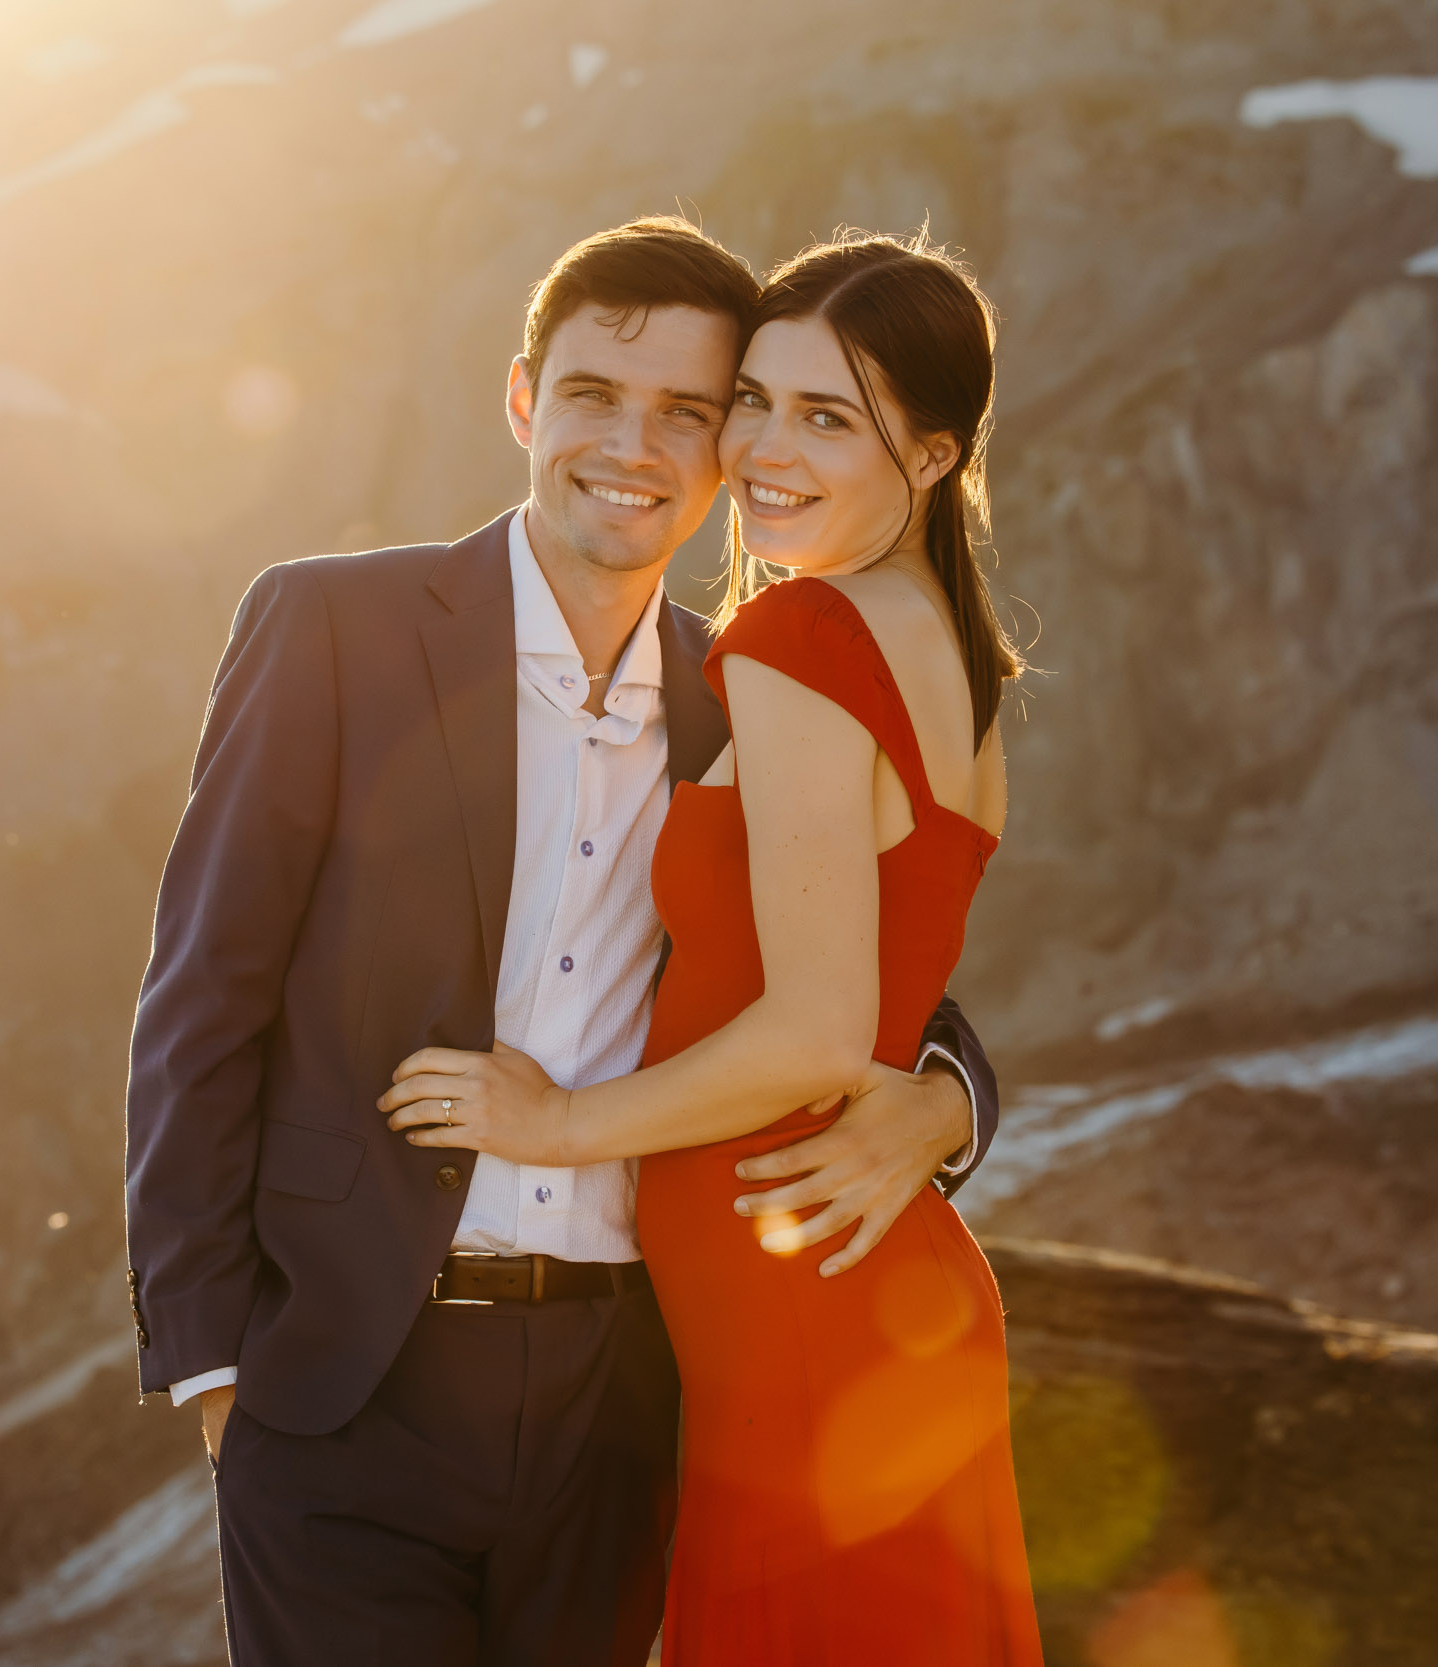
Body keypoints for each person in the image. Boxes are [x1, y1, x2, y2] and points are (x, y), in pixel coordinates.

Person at [122, 217, 1007, 1666]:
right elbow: (202, 998)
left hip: (626, 1396)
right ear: (525, 399)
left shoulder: (752, 691)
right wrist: (220, 1373)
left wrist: (951, 1103)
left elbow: (875, 969)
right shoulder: (331, 628)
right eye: (595, 394)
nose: (634, 445)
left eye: (687, 412)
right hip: (349, 1386)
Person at [382, 233, 1045, 1663]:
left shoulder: (803, 636)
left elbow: (815, 1031)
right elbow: (889, 992)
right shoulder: (958, 661)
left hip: (795, 1298)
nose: (760, 449)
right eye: (752, 399)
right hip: (841, 1285)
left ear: (931, 457)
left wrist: (557, 1123)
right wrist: (943, 1101)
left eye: (828, 417)